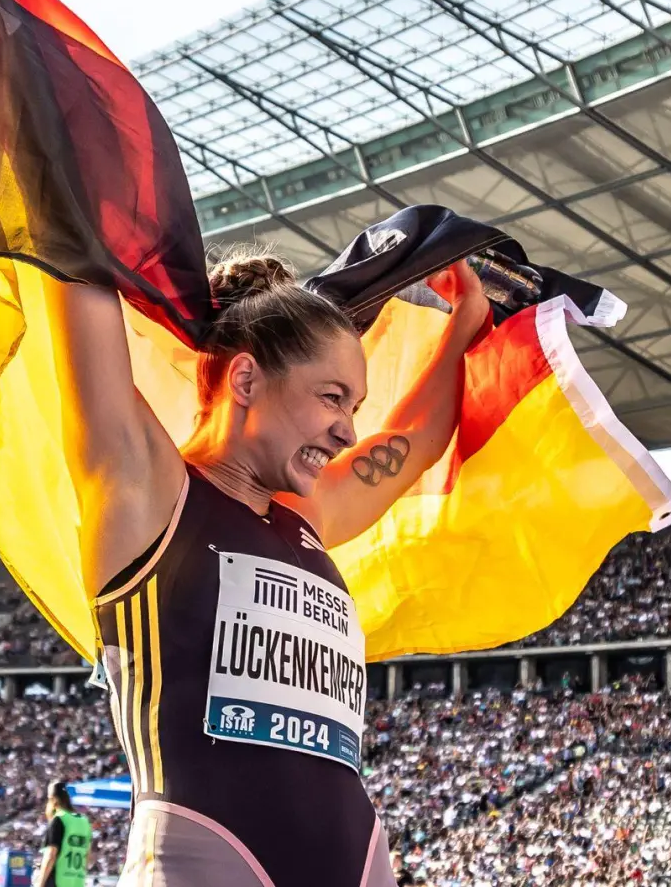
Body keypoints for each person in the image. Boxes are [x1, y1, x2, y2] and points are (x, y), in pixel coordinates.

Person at [48, 249, 487, 886]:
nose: (347, 431)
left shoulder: (311, 517)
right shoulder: (146, 489)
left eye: (355, 407)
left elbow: (416, 440)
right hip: (205, 855)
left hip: (361, 861)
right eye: (333, 398)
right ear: (247, 381)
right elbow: (71, 265)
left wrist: (466, 317)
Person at [34, 782, 90, 887]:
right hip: (76, 882)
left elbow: (51, 855)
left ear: (53, 799)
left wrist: (40, 883)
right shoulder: (84, 822)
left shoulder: (59, 819)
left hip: (57, 881)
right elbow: (87, 856)